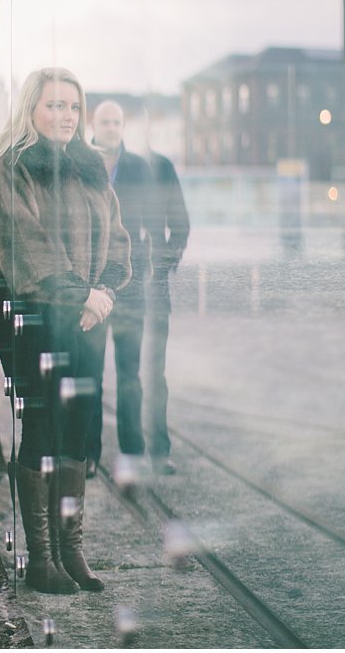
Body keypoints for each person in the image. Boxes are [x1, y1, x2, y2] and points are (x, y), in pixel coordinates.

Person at [0, 67, 131, 594]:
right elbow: (22, 242)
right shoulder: (11, 168)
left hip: (88, 315)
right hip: (30, 315)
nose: (65, 116)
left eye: (73, 107)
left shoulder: (90, 168)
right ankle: (42, 556)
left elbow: (119, 240)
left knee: (79, 428)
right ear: (31, 110)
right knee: (43, 426)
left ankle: (71, 549)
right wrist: (80, 294)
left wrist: (106, 293)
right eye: (53, 106)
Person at [86, 100, 163, 478]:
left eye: (117, 122)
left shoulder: (137, 168)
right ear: (94, 125)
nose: (112, 128)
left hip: (130, 286)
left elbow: (153, 221)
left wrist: (148, 265)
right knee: (91, 374)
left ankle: (132, 451)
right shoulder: (80, 164)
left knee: (130, 374)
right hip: (91, 287)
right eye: (105, 122)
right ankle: (89, 453)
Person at [142, 147, 189, 475]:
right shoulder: (95, 161)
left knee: (153, 372)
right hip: (109, 289)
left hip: (152, 287)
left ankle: (157, 451)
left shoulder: (161, 166)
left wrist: (163, 264)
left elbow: (181, 224)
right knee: (131, 374)